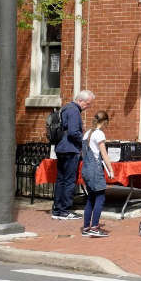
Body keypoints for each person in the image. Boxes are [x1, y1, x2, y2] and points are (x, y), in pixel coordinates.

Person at [52, 89, 95, 220]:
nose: (88, 107)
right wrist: (85, 141)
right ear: (80, 100)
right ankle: (65, 210)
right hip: (70, 149)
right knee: (69, 180)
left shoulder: (65, 108)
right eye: (87, 104)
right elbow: (73, 132)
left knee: (60, 180)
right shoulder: (74, 111)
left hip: (61, 147)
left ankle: (57, 209)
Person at [81, 110, 114, 237]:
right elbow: (104, 154)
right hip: (94, 169)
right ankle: (94, 227)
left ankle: (86, 227)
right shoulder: (99, 133)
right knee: (100, 197)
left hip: (86, 168)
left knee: (91, 198)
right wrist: (110, 169)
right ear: (105, 121)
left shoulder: (87, 133)